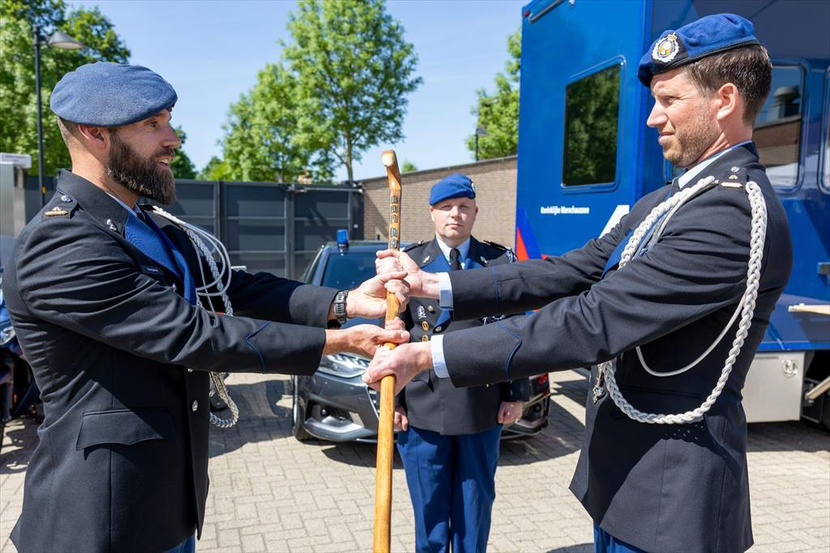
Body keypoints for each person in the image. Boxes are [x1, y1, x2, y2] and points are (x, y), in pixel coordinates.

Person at [367, 14, 792, 553]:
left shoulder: (730, 211)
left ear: (725, 99)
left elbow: (592, 319)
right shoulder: (666, 201)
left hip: (673, 496)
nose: (653, 119)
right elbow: (573, 268)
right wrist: (431, 284)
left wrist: (429, 355)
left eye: (669, 100)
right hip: (627, 482)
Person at [2, 62, 410, 553]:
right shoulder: (62, 241)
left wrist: (346, 303)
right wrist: (336, 343)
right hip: (99, 520)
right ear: (95, 134)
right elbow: (192, 333)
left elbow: (233, 287)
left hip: (166, 511)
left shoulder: (152, 225)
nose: (173, 138)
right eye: (153, 125)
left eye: (168, 121)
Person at [393, 174, 529, 553]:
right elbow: (393, 336)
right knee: (429, 511)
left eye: (464, 207)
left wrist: (517, 394)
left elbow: (518, 332)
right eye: (446, 207)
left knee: (475, 506)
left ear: (475, 212)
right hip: (421, 409)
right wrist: (393, 402)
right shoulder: (409, 263)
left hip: (481, 407)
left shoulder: (499, 261)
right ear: (432, 213)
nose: (456, 214)